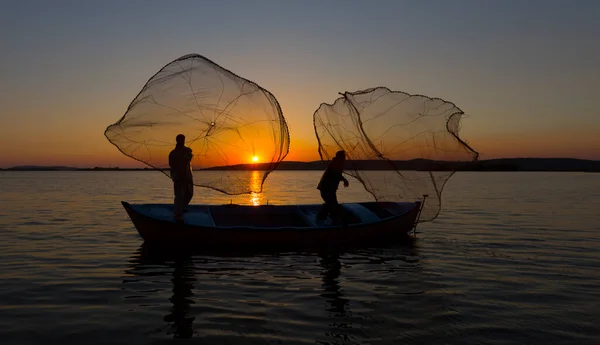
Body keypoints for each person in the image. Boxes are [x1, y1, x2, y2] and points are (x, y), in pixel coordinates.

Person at [316, 150, 349, 224]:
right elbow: (335, 174)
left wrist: (343, 179)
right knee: (332, 204)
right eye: (343, 157)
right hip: (326, 190)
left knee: (331, 204)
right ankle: (322, 218)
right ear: (339, 157)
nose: (344, 158)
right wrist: (344, 179)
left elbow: (336, 175)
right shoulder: (335, 164)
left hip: (330, 190)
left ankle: (332, 218)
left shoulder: (336, 164)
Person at [169, 134, 194, 221]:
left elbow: (189, 157)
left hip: (187, 177)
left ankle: (182, 208)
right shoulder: (173, 153)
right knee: (179, 195)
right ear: (177, 140)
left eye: (183, 139)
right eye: (181, 139)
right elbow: (171, 164)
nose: (183, 141)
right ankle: (177, 213)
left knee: (189, 193)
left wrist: (189, 155)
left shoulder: (187, 150)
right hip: (178, 177)